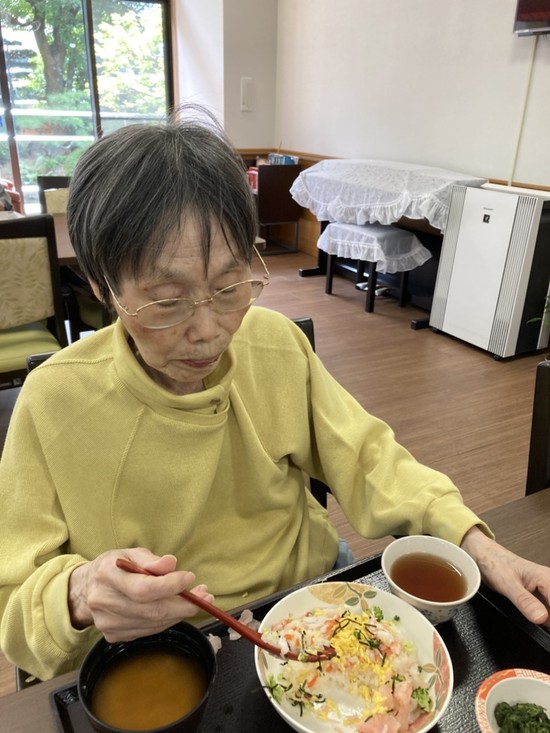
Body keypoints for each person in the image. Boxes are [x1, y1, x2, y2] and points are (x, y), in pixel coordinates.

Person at [0, 107, 549, 682]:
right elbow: (16, 610)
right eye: (166, 301)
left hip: (311, 602)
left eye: (230, 286)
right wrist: (78, 592)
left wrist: (475, 544)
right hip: (172, 652)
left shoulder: (274, 343)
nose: (209, 330)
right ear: (101, 286)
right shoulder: (54, 399)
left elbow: (369, 458)